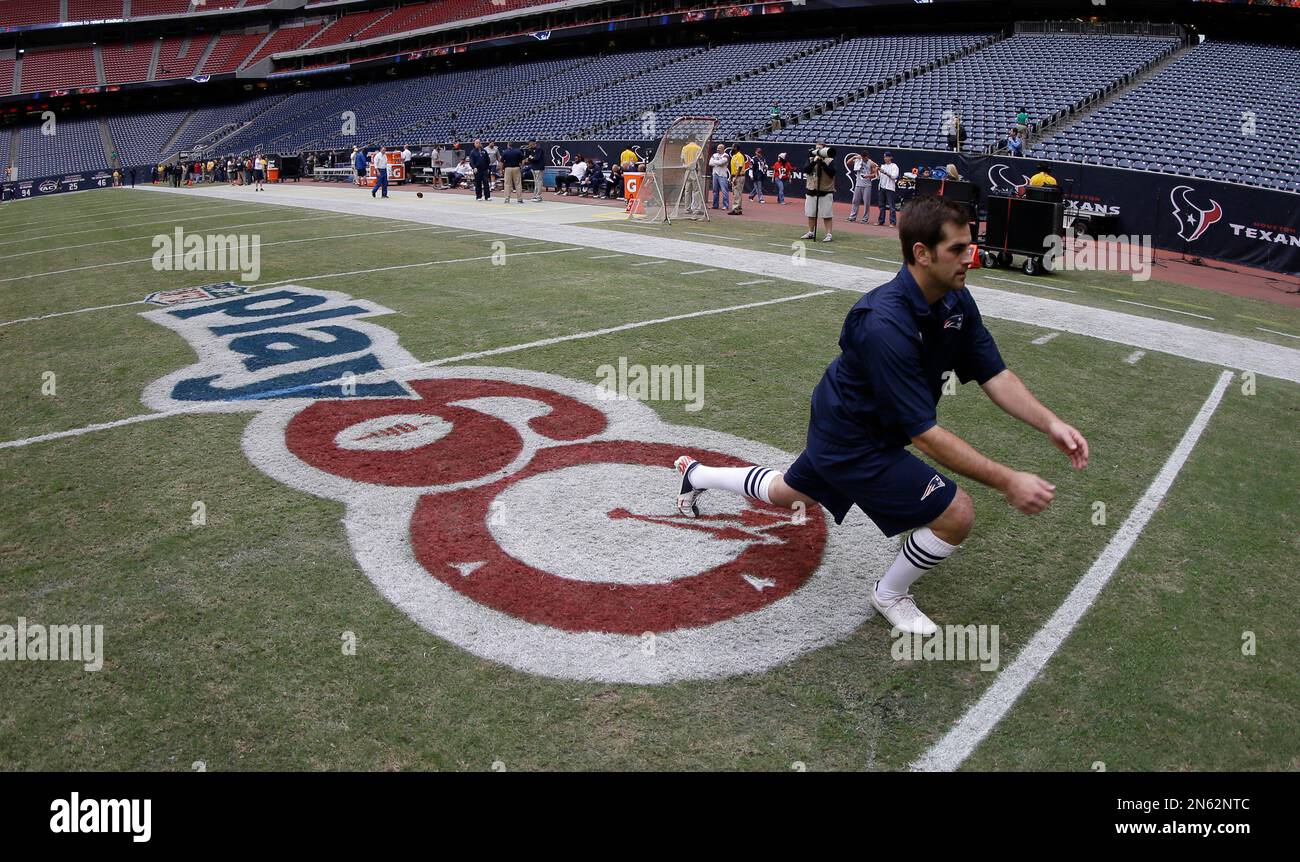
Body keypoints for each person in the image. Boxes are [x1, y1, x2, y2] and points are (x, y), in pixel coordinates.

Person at [672, 196, 1089, 635]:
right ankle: (889, 593)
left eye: (971, 245)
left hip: (853, 425)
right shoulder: (883, 322)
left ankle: (697, 475)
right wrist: (1008, 480)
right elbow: (925, 435)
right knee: (956, 513)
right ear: (921, 254)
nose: (971, 257)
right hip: (851, 439)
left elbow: (995, 374)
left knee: (791, 493)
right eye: (958, 249)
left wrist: (1051, 423)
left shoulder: (955, 300)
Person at [800, 142, 835, 241]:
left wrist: (823, 163)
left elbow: (832, 173)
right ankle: (811, 232)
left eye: (820, 148)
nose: (818, 150)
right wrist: (814, 161)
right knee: (811, 214)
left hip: (825, 191)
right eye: (817, 148)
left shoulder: (830, 160)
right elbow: (806, 170)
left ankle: (829, 234)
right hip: (811, 190)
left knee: (827, 214)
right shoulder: (811, 159)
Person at [847, 152, 876, 222]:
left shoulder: (871, 163)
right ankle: (852, 217)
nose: (863, 159)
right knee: (855, 201)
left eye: (864, 158)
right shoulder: (858, 160)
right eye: (862, 157)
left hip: (867, 185)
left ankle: (865, 218)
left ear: (867, 157)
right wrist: (854, 157)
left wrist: (868, 176)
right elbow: (848, 163)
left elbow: (874, 174)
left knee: (866, 203)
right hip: (858, 184)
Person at [876, 152, 900, 227]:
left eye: (886, 157)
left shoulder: (894, 166)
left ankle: (892, 222)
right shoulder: (882, 166)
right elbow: (878, 177)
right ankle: (881, 221)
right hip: (882, 187)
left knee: (891, 206)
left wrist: (885, 172)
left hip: (890, 188)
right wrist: (877, 170)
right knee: (881, 205)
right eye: (884, 157)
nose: (885, 158)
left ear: (890, 158)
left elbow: (894, 176)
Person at [708, 145, 730, 210]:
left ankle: (725, 205)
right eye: (717, 148)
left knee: (724, 191)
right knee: (715, 190)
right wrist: (717, 163)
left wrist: (715, 162)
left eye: (719, 148)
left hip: (722, 175)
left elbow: (722, 162)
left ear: (723, 149)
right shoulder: (714, 155)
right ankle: (715, 205)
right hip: (715, 174)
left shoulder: (726, 155)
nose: (718, 149)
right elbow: (710, 163)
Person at [727, 146, 746, 215]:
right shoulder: (734, 156)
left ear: (737, 148)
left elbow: (740, 167)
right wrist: (731, 178)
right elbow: (733, 169)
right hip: (735, 175)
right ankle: (738, 209)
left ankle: (735, 209)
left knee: (737, 193)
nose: (732, 148)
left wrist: (735, 177)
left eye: (733, 147)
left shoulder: (739, 156)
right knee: (737, 193)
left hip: (739, 176)